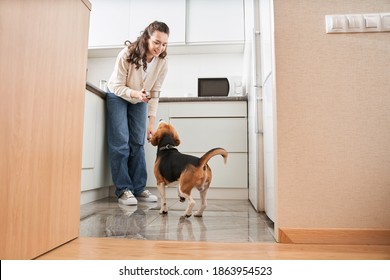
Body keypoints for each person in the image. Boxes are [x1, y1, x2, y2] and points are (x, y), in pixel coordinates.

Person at [106, 21, 169, 206]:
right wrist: (135, 93)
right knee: (121, 143)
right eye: (157, 42)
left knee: (138, 143)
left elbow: (155, 92)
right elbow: (117, 86)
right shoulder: (127, 54)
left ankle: (139, 188)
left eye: (164, 44)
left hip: (140, 99)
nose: (160, 47)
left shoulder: (162, 62)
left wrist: (151, 123)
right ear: (146, 38)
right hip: (118, 95)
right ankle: (124, 189)